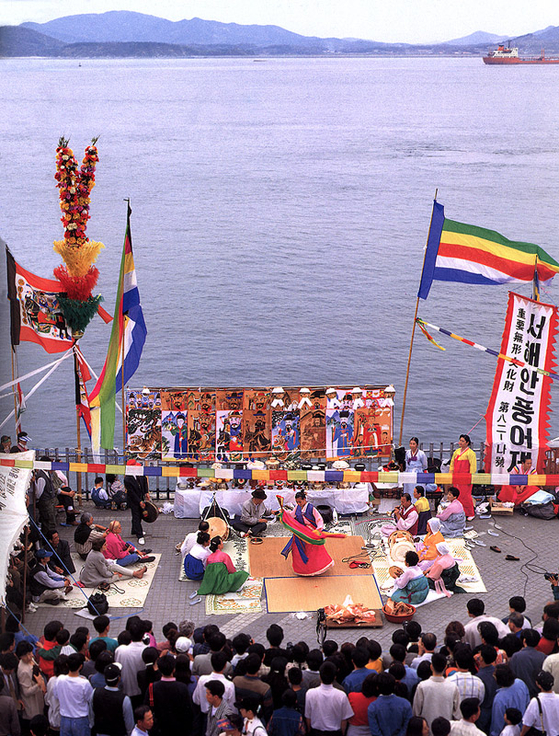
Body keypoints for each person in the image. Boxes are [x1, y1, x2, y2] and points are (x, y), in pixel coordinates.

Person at [280, 491, 337, 577]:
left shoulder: (311, 508)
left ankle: (316, 569)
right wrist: (284, 512)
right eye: (297, 502)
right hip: (300, 531)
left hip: (310, 531)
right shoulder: (297, 507)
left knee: (313, 552)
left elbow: (319, 519)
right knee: (297, 550)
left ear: (304, 500)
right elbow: (292, 515)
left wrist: (318, 530)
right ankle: (302, 570)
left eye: (300, 501)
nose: (298, 503)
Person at [412, 653, 460, 728]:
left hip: (427, 731)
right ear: (445, 667)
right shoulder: (453, 687)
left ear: (431, 667)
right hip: (446, 730)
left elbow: (416, 712)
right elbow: (457, 715)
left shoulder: (422, 686)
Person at [305, 661, 354, 735]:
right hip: (335, 733)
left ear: (320, 676)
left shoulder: (310, 693)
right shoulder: (341, 695)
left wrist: (309, 731)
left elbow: (308, 717)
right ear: (335, 677)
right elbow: (344, 719)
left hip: (316, 732)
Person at [80, 538, 148, 587]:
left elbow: (106, 564)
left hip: (92, 574)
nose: (106, 545)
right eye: (105, 545)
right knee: (118, 576)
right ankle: (135, 574)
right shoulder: (98, 556)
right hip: (92, 580)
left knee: (115, 566)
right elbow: (105, 573)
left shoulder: (94, 552)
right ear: (100, 547)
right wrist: (113, 573)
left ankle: (135, 573)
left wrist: (112, 568)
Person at [90, 662, 134, 736]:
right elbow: (129, 724)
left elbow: (91, 716)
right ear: (119, 678)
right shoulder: (124, 699)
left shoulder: (95, 692)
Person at [57, 652, 94, 736]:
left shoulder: (60, 679)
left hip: (64, 719)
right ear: (80, 666)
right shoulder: (84, 683)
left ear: (67, 665)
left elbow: (57, 695)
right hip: (80, 720)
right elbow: (90, 699)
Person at [490, 665, 530, 736]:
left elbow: (497, 725)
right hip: (524, 729)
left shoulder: (499, 699)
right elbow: (528, 704)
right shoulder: (520, 683)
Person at [368, 672, 412, 736]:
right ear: (394, 686)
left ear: (377, 687)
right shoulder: (405, 704)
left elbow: (375, 731)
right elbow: (407, 727)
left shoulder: (373, 707)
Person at [16, 641, 46, 728]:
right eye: (27, 655)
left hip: (38, 699)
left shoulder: (29, 660)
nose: (30, 656)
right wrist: (38, 685)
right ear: (21, 656)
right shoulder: (23, 671)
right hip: (33, 705)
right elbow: (26, 691)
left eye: (30, 653)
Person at [520, 670, 559, 736]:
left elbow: (527, 723)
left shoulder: (536, 702)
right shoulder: (558, 698)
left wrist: (521, 734)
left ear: (538, 685)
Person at [449, 435, 477, 520]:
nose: (460, 443)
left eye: (462, 441)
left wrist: (470, 477)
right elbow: (452, 464)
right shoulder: (456, 452)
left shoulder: (471, 453)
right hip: (456, 477)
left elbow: (473, 467)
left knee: (466, 496)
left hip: (465, 478)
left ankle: (470, 513)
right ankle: (458, 512)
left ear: (467, 443)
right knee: (456, 495)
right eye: (460, 440)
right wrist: (451, 473)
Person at [124, 463, 151, 545]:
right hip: (133, 500)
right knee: (136, 516)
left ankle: (134, 530)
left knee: (139, 515)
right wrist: (139, 501)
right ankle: (140, 536)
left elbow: (144, 482)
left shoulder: (140, 473)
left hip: (140, 496)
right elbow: (131, 492)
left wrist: (146, 493)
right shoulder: (127, 479)